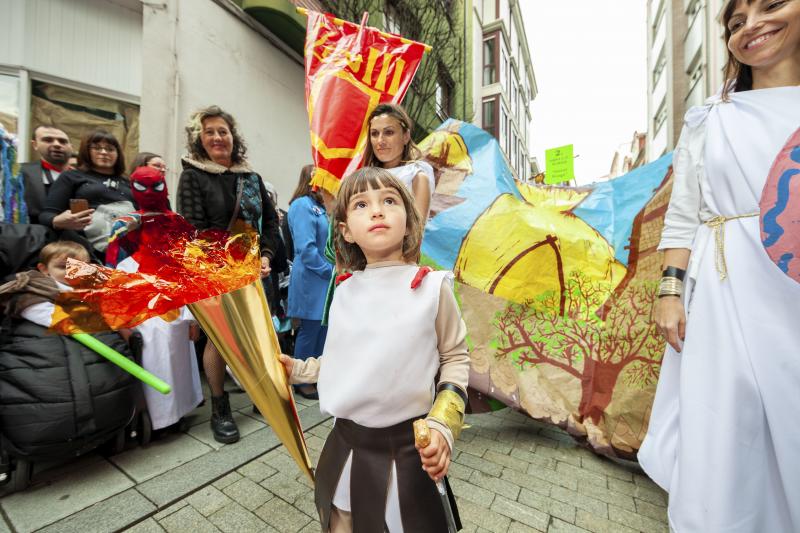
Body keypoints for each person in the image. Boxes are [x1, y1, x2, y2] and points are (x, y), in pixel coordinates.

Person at [639, 1, 800, 531]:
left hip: (791, 292)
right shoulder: (711, 116)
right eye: (735, 22)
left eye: (771, 5)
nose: (751, 25)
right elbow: (684, 212)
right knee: (726, 431)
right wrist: (669, 291)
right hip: (723, 289)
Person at [281, 167, 469, 532]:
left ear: (410, 223)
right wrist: (299, 370)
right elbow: (343, 359)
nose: (377, 211)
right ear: (346, 230)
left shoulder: (432, 288)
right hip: (345, 446)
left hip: (409, 452)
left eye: (389, 201)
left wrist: (444, 424)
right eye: (362, 204)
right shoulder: (345, 289)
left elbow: (456, 357)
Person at [176, 105, 280, 444]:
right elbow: (193, 230)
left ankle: (259, 396)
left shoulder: (250, 177)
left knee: (253, 337)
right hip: (214, 272)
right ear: (199, 140)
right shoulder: (193, 174)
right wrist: (228, 264)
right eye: (210, 132)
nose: (218, 137)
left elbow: (270, 219)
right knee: (220, 341)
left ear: (233, 137)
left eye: (223, 131)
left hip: (250, 271)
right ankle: (220, 408)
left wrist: (265, 254)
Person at [109, 166, 203, 433]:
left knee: (181, 359)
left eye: (156, 186)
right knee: (155, 358)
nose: (150, 192)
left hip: (176, 296)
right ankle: (160, 418)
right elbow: (113, 267)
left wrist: (194, 316)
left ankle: (182, 410)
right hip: (141, 300)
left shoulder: (177, 222)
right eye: (143, 186)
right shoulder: (124, 223)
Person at [38, 129, 135, 262]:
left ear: (118, 153)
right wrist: (58, 221)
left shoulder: (130, 182)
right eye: (97, 148)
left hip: (129, 254)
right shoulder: (71, 177)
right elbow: (46, 214)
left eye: (110, 148)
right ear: (86, 151)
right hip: (86, 252)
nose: (104, 152)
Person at [286, 165, 332, 399]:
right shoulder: (302, 205)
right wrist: (329, 271)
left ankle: (316, 374)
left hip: (324, 278)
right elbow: (306, 248)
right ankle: (301, 379)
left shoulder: (323, 206)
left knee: (324, 328)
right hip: (312, 277)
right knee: (310, 329)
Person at [362, 103, 435, 220]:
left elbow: (416, 233)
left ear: (406, 136)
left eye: (389, 132)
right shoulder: (363, 177)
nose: (380, 140)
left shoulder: (416, 176)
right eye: (374, 133)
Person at [19, 126, 73, 224]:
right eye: (48, 140)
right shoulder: (20, 173)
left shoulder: (83, 176)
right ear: (35, 144)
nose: (57, 144)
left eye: (63, 141)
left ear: (71, 146)